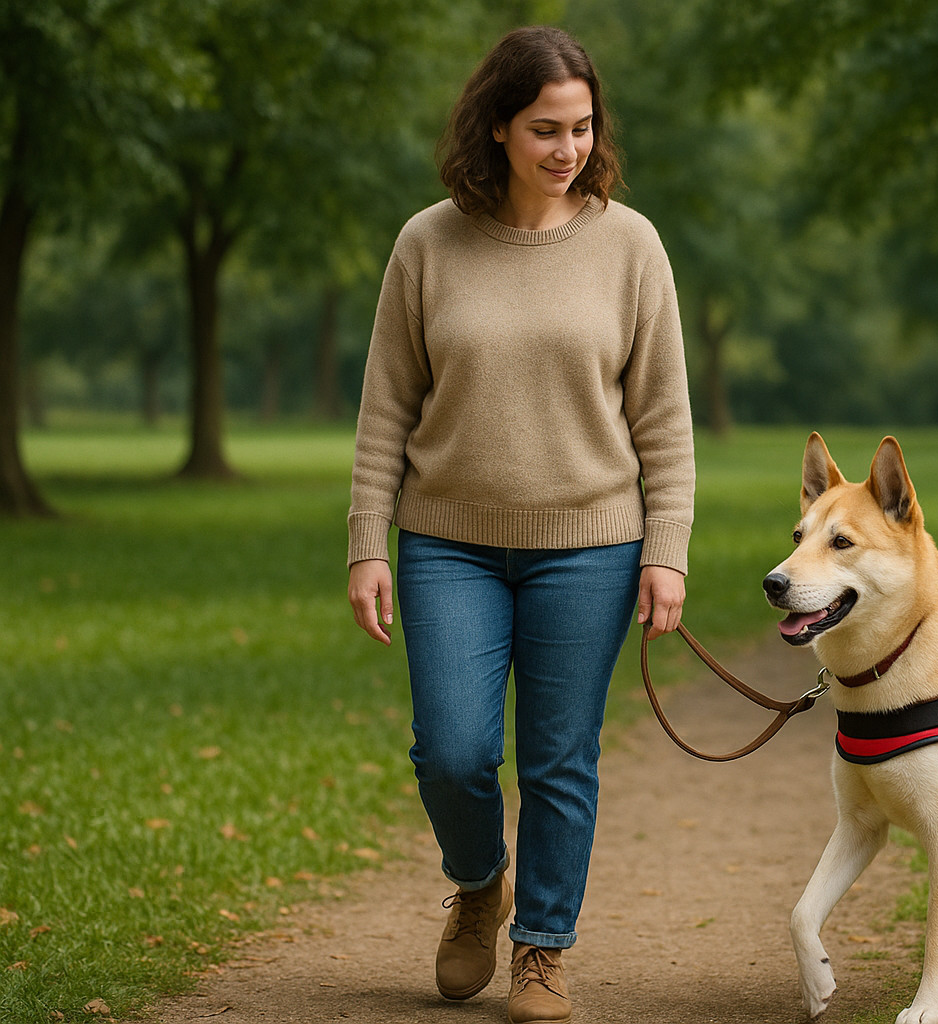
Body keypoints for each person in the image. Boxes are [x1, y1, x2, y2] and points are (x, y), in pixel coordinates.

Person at [345, 25, 693, 1024]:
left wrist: (664, 553)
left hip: (590, 544)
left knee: (558, 758)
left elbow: (664, 421)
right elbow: (385, 409)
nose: (568, 148)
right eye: (546, 128)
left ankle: (542, 948)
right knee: (451, 749)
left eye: (582, 128)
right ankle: (478, 883)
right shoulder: (427, 243)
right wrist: (370, 540)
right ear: (497, 126)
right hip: (447, 540)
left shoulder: (631, 245)